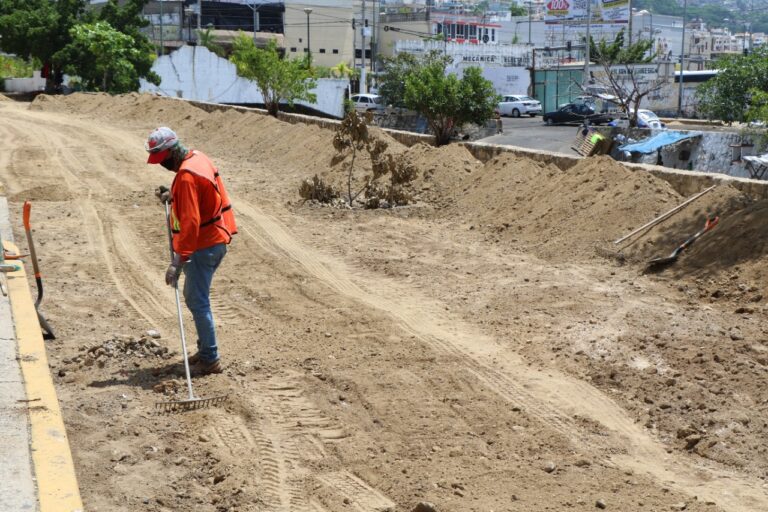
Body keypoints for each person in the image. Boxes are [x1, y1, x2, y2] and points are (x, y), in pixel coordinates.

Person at [145, 127, 237, 375]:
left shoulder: (185, 176)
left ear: (171, 152)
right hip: (216, 239)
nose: (161, 164)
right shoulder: (198, 158)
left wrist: (178, 261)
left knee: (197, 300)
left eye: (162, 159)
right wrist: (173, 196)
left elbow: (190, 223)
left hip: (203, 246)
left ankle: (210, 358)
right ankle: (205, 349)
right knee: (196, 296)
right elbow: (199, 197)